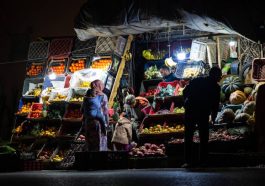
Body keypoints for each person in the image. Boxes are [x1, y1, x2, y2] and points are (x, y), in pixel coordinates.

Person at [182, 66, 222, 168]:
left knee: (188, 136)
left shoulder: (197, 80)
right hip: (203, 113)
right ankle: (203, 160)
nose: (220, 78)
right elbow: (215, 105)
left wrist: (186, 102)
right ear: (215, 76)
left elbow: (185, 92)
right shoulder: (216, 88)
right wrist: (213, 118)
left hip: (191, 111)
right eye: (219, 76)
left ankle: (188, 161)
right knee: (203, 137)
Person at [81, 79, 109, 151]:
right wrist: (106, 122)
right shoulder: (103, 96)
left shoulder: (86, 96)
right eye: (102, 85)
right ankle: (98, 159)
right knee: (99, 142)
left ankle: (90, 158)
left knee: (90, 142)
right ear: (99, 86)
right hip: (98, 123)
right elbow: (105, 112)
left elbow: (82, 109)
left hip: (88, 122)